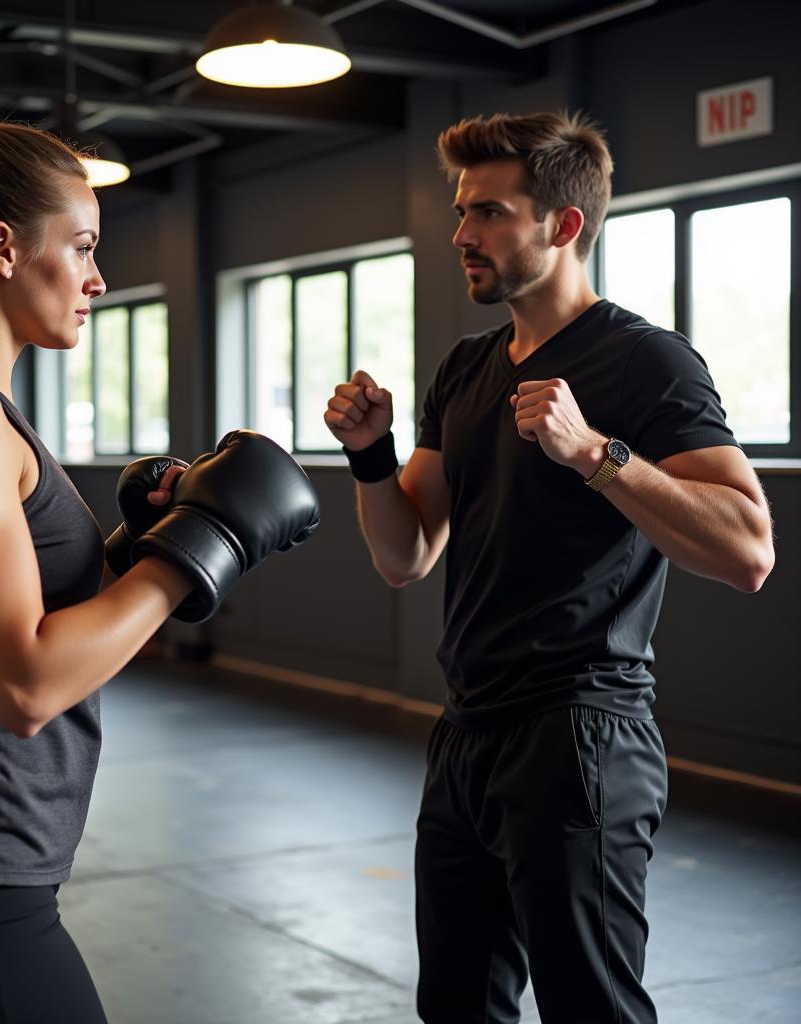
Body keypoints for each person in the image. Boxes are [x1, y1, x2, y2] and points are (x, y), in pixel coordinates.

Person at [0, 108, 319, 1024]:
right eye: (80, 246)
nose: (97, 277)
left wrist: (129, 547)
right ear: (2, 247)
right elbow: (22, 684)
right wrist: (203, 548)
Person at [324, 111, 774, 1024]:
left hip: (580, 737)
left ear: (563, 227)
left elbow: (749, 548)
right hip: (467, 734)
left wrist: (595, 454)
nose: (461, 235)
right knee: (455, 1005)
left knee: (590, 1009)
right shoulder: (464, 369)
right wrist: (370, 456)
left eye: (487, 213)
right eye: (462, 213)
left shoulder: (647, 363)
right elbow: (405, 555)